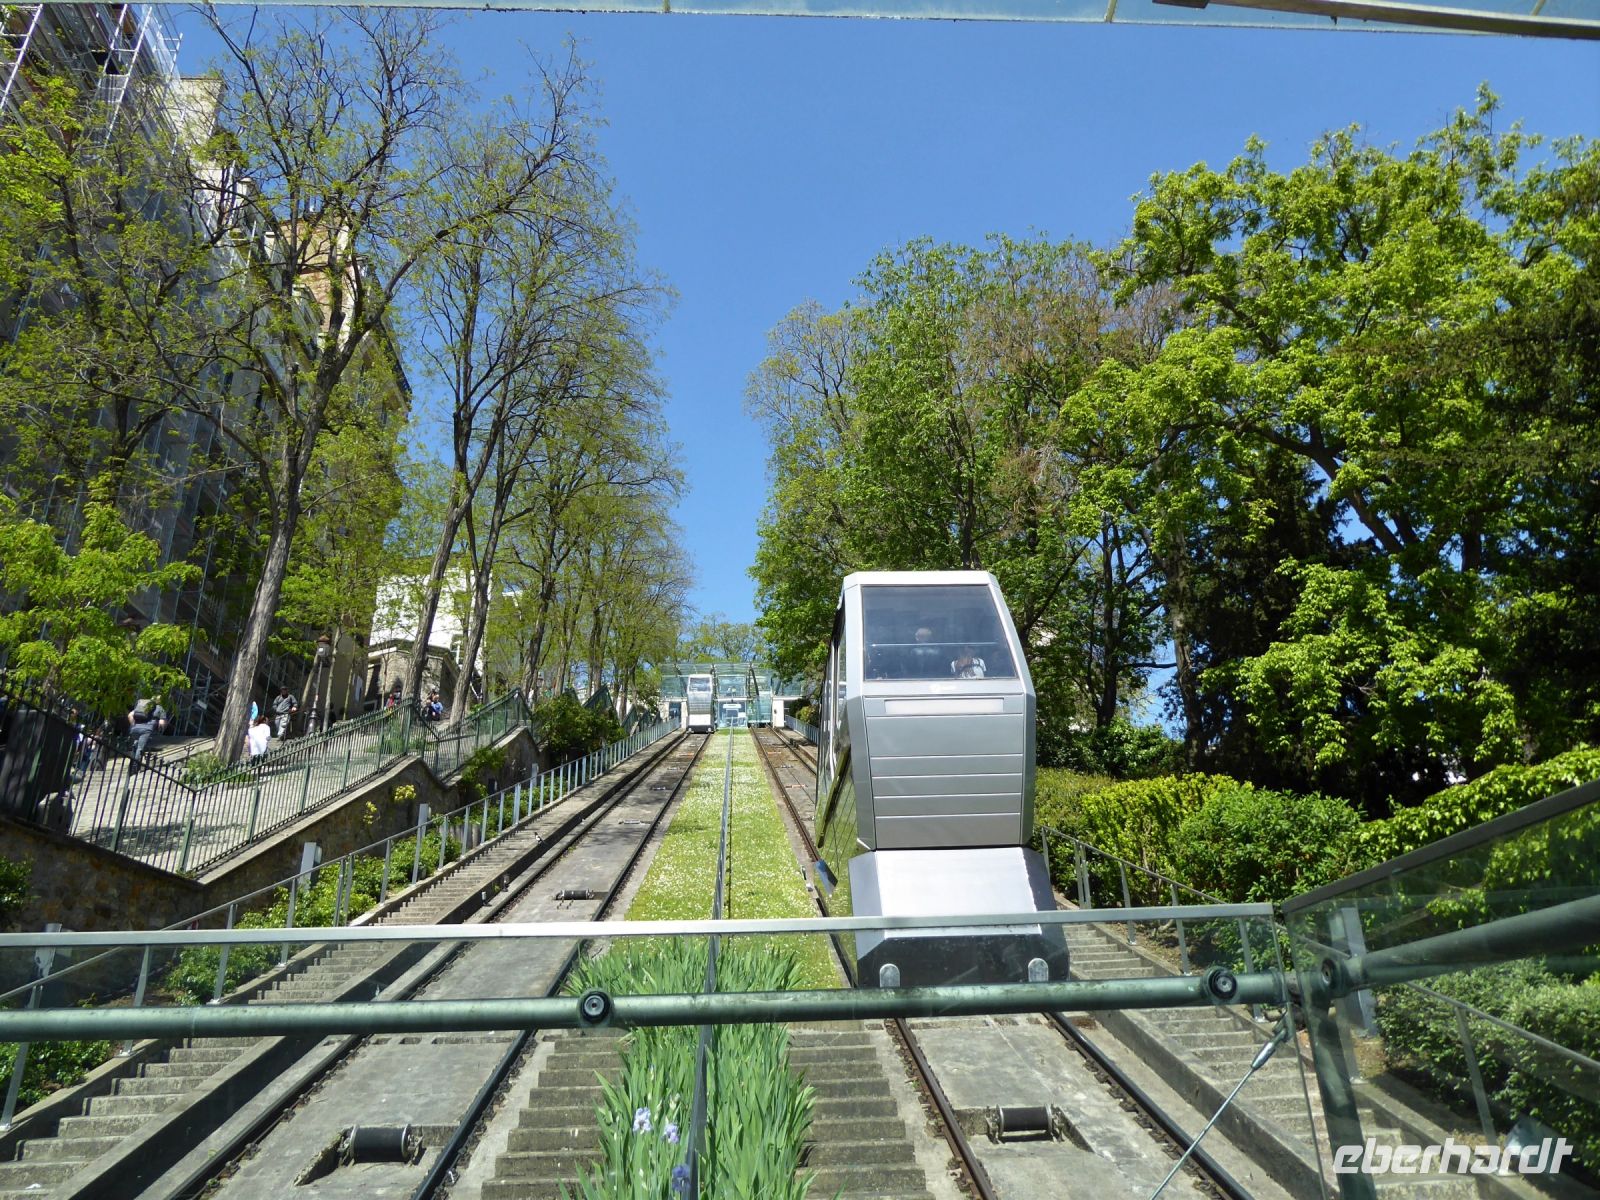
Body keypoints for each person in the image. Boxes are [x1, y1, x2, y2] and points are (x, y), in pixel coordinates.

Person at [127, 695, 168, 773]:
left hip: (135, 729)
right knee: (140, 748)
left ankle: (132, 760)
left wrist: (133, 725)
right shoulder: (160, 708)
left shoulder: (143, 706)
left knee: (136, 744)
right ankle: (135, 767)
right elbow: (161, 723)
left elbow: (130, 715)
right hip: (146, 730)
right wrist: (159, 730)